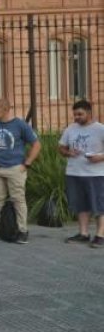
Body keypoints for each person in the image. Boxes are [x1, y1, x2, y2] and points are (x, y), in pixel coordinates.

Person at [0, 99, 41, 244]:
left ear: (6, 109)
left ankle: (22, 230)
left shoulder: (20, 124)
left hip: (15, 167)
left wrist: (27, 163)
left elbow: (36, 144)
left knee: (18, 199)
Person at [59, 100, 104, 248]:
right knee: (81, 205)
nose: (76, 117)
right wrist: (68, 152)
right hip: (74, 172)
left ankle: (100, 235)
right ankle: (83, 234)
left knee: (99, 205)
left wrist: (99, 157)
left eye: (80, 114)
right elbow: (61, 148)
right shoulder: (71, 129)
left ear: (89, 113)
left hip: (96, 173)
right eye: (75, 114)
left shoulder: (100, 129)